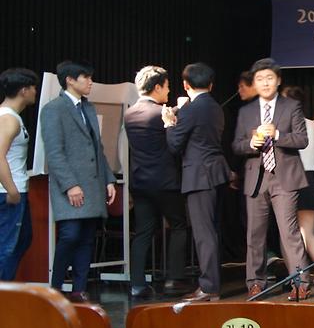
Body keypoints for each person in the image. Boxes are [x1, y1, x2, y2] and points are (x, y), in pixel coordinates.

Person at [233, 58, 313, 300]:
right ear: (254, 84)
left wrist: (277, 135)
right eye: (260, 79)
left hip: (284, 178)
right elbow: (236, 145)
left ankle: (300, 282)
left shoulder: (291, 106)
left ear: (278, 81)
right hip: (256, 180)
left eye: (269, 78)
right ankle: (255, 283)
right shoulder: (246, 111)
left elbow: (302, 140)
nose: (265, 83)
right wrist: (251, 143)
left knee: (289, 232)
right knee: (255, 234)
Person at [41, 61, 116, 301]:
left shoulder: (88, 107)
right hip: (70, 185)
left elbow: (98, 148)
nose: (91, 82)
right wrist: (70, 185)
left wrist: (109, 179)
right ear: (70, 80)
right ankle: (55, 288)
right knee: (70, 235)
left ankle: (79, 290)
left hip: (93, 184)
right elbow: (54, 153)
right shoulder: (53, 109)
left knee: (86, 238)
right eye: (86, 77)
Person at [163, 62, 231, 302]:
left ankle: (209, 286)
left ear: (185, 85)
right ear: (211, 84)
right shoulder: (215, 106)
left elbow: (174, 145)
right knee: (212, 231)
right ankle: (212, 283)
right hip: (217, 173)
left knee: (204, 233)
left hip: (199, 176)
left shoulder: (191, 109)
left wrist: (169, 123)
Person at [124, 66, 188, 299]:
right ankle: (174, 279)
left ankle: (137, 284)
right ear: (158, 87)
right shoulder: (161, 113)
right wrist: (179, 112)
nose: (168, 91)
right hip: (166, 182)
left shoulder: (129, 114)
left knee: (143, 232)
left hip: (140, 182)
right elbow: (174, 143)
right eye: (167, 86)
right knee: (178, 226)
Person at [281, 86, 314, 287]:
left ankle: (295, 275)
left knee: (288, 235)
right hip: (311, 179)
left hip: (293, 179)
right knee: (308, 233)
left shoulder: (285, 127)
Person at [0, 68, 37, 280]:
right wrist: (12, 189)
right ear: (24, 90)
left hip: (15, 189)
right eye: (33, 88)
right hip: (9, 192)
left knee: (22, 240)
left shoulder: (11, 117)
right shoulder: (8, 118)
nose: (35, 92)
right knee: (7, 247)